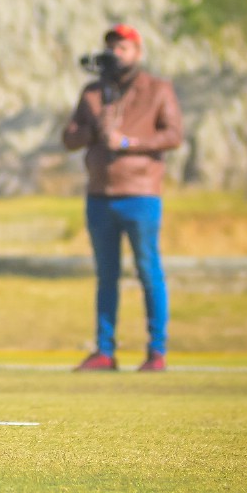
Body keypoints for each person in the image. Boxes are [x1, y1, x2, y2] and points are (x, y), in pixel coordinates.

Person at [61, 23, 184, 372]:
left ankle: (156, 351)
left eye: (123, 48)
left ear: (137, 53)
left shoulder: (158, 89)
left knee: (148, 271)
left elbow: (174, 135)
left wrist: (129, 142)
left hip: (141, 194)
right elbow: (69, 138)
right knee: (106, 276)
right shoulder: (93, 93)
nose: (116, 54)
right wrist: (94, 129)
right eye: (112, 47)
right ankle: (104, 350)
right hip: (100, 195)